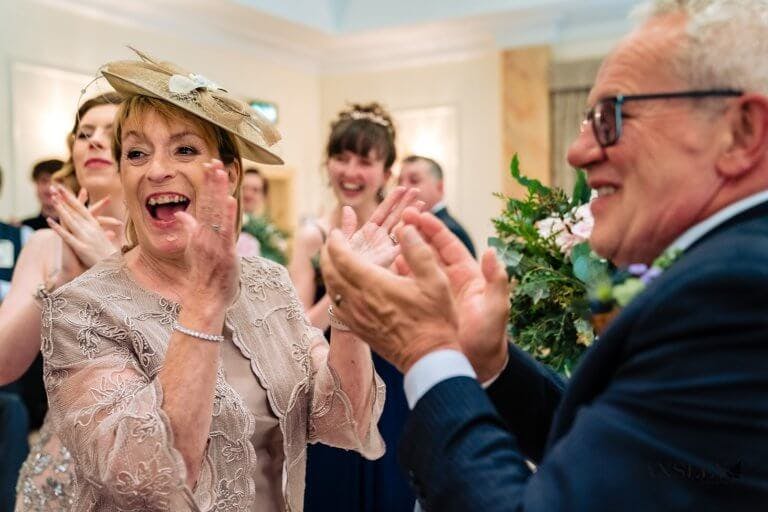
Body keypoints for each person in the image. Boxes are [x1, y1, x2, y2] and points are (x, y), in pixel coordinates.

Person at [321, 1, 768, 510]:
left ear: (741, 133)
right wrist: (491, 363)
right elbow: (619, 453)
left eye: (611, 118)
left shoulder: (739, 292)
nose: (578, 153)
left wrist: (427, 351)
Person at [40, 49, 418, 511]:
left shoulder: (267, 284)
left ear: (231, 174)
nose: (156, 170)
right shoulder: (81, 309)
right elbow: (144, 479)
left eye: (184, 149)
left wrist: (350, 304)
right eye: (136, 153)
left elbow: (341, 422)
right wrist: (204, 301)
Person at [291, 103, 417, 512]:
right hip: (332, 381)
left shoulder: (404, 236)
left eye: (365, 161)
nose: (350, 172)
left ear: (386, 172)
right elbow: (296, 330)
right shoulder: (311, 238)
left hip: (392, 379)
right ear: (327, 163)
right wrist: (341, 287)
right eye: (341, 158)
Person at [6, 91, 125, 511]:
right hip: (60, 472)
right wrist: (57, 283)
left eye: (111, 131)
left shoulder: (169, 251)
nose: (94, 141)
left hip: (152, 464)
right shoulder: (45, 244)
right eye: (85, 133)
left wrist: (110, 269)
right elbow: (3, 365)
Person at [398, 155, 475, 256]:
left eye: (414, 180)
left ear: (440, 187)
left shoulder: (449, 230)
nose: (403, 187)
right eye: (399, 181)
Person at [240, 165, 287, 264]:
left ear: (264, 196)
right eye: (244, 188)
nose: (248, 194)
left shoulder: (270, 235)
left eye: (255, 190)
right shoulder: (223, 226)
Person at [21, 159, 65, 231]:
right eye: (44, 181)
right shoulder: (24, 228)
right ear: (36, 184)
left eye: (56, 181)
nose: (49, 187)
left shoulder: (78, 225)